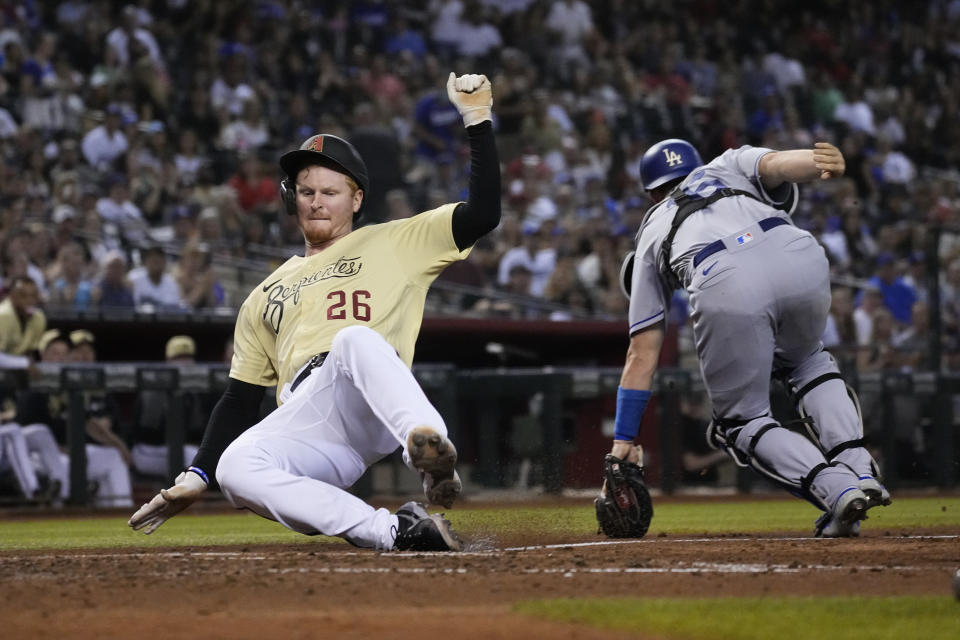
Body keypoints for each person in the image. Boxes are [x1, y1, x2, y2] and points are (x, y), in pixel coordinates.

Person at [129, 72, 501, 552]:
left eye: (331, 191)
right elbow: (240, 399)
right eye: (306, 191)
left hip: (372, 394)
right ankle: (394, 531)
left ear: (357, 199)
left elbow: (484, 212)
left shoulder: (397, 239)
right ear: (291, 199)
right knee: (235, 468)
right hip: (312, 422)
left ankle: (428, 452)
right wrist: (197, 474)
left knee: (353, 338)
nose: (317, 201)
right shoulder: (264, 294)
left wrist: (477, 120)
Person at [608, 138, 890, 538]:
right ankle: (861, 470)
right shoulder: (725, 164)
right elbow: (776, 165)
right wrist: (816, 161)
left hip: (722, 276)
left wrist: (622, 439)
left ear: (652, 192)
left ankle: (837, 489)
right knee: (809, 362)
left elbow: (642, 354)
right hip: (795, 250)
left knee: (740, 422)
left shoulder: (652, 229)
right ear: (695, 165)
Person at [131, 335, 205, 477]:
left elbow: (196, 429)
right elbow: (150, 431)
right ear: (168, 361)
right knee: (196, 458)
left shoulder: (193, 390)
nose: (185, 363)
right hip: (148, 450)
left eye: (188, 358)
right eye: (179, 358)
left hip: (176, 449)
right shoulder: (154, 389)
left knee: (200, 456)